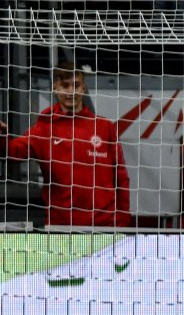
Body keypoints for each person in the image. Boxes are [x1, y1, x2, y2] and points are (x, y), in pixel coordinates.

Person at [0, 62, 131, 228]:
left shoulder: (105, 127)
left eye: (76, 85)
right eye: (65, 85)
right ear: (55, 87)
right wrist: (1, 137)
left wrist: (124, 220)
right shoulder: (43, 129)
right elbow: (12, 153)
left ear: (83, 88)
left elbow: (121, 178)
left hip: (104, 227)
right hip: (61, 227)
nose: (71, 91)